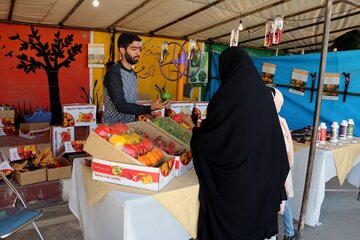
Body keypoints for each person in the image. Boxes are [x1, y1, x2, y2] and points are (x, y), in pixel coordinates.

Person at [188, 46, 290, 240]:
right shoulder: (264, 95)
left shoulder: (225, 97)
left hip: (235, 184)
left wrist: (195, 132)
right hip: (262, 179)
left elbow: (213, 140)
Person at [102, 33, 169, 124]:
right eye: (134, 49)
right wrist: (150, 108)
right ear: (122, 50)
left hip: (129, 127)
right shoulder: (114, 73)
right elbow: (121, 106)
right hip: (112, 130)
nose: (138, 53)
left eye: (140, 49)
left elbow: (130, 104)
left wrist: (146, 113)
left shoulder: (134, 74)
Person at [269, 87, 296, 240]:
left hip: (279, 168)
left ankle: (289, 232)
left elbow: (283, 149)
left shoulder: (278, 122)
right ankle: (288, 232)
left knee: (282, 198)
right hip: (277, 168)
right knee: (281, 198)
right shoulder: (275, 120)